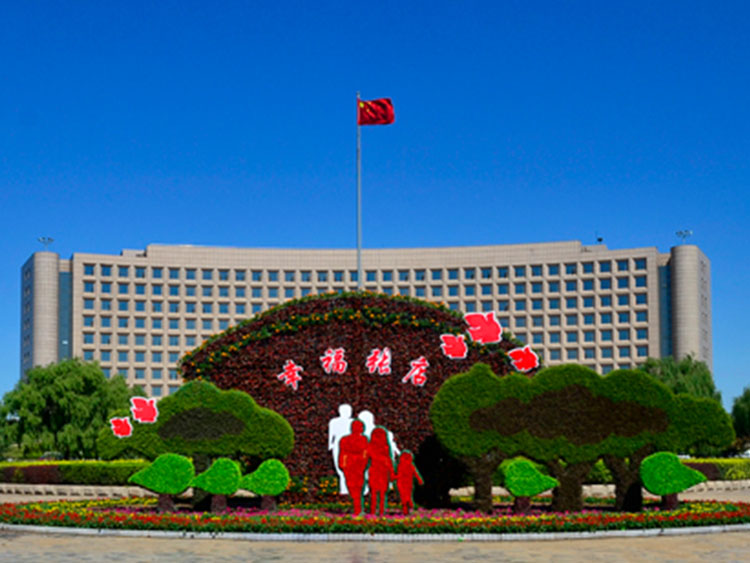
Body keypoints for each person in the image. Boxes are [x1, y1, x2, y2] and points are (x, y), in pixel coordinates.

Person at [337, 419, 369, 515]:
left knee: (357, 487)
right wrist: (343, 465)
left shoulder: (364, 439)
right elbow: (342, 453)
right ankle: (357, 508)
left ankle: (358, 508)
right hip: (351, 466)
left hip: (357, 466)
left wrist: (363, 464)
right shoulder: (345, 439)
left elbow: (365, 453)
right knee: (353, 487)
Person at [367, 426, 395, 516]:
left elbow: (389, 460)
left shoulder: (383, 447)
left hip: (380, 471)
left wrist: (391, 472)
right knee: (377, 493)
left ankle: (377, 511)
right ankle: (376, 511)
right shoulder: (378, 447)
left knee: (378, 493)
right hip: (378, 470)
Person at [328, 404, 354, 494]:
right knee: (339, 466)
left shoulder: (353, 422)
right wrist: (330, 444)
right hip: (338, 445)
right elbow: (331, 434)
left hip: (350, 446)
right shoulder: (334, 422)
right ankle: (343, 489)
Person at [395, 450, 423, 515]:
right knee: (404, 498)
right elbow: (399, 474)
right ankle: (406, 509)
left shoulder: (410, 466)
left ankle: (409, 504)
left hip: (408, 484)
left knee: (407, 496)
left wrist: (419, 480)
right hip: (402, 484)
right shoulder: (400, 466)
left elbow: (415, 473)